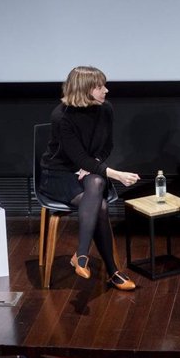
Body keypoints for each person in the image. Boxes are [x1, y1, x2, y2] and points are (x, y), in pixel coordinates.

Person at [40, 66, 139, 291]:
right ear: (84, 90)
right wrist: (116, 174)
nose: (106, 90)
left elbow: (107, 146)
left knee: (95, 181)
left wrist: (92, 163)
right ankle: (112, 270)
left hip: (88, 170)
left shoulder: (106, 109)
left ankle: (82, 256)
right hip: (58, 174)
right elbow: (76, 157)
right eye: (99, 86)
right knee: (100, 205)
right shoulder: (61, 116)